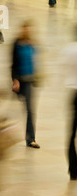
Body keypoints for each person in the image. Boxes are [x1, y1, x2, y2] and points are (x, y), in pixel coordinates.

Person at [11, 20, 41, 149]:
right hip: (19, 81)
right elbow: (12, 63)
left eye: (29, 29)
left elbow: (35, 61)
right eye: (25, 29)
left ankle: (31, 139)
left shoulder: (32, 44)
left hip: (29, 81)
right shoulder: (16, 44)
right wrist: (14, 79)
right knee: (12, 110)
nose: (27, 31)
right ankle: (2, 133)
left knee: (30, 110)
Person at [60, 25, 77, 180]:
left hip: (73, 93)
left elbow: (63, 68)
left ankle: (73, 169)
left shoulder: (68, 49)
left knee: (72, 133)